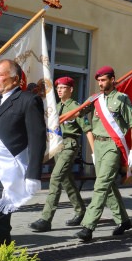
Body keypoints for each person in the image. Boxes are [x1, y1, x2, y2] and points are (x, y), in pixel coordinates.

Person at [0, 59, 46, 245]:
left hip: (7, 176)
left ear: (15, 79)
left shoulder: (28, 100)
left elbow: (37, 139)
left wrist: (34, 175)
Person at [75, 66, 132, 243]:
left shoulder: (122, 99)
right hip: (98, 145)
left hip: (113, 146)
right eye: (99, 81)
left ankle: (88, 227)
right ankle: (124, 220)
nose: (101, 84)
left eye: (104, 80)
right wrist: (80, 110)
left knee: (101, 185)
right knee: (108, 186)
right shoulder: (95, 99)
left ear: (112, 79)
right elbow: (79, 114)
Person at [29, 76, 94, 232]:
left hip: (69, 146)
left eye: (63, 87)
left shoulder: (76, 108)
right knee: (66, 180)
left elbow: (87, 130)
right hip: (57, 145)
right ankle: (80, 210)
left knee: (56, 178)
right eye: (58, 88)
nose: (59, 90)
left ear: (71, 90)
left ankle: (46, 219)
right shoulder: (56, 107)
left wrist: (94, 153)